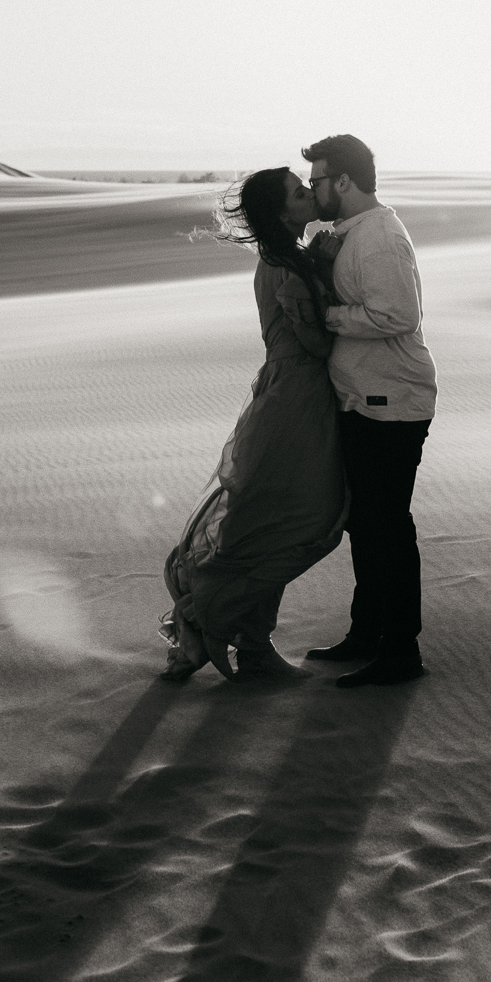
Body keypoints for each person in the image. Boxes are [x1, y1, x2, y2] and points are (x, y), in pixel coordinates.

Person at [159, 168, 349, 683]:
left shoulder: (286, 257)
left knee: (272, 521)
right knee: (306, 522)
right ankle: (207, 621)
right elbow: (317, 344)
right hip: (298, 401)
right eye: (298, 192)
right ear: (281, 213)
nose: (309, 194)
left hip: (288, 396)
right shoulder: (287, 266)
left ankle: (246, 641)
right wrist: (332, 284)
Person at [300, 134, 438, 687]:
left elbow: (396, 315)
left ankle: (401, 651)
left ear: (343, 182)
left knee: (387, 528)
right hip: (366, 399)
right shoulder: (351, 233)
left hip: (392, 403)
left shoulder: (378, 236)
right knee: (368, 525)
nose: (312, 192)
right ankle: (367, 633)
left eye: (317, 181)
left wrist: (328, 315)